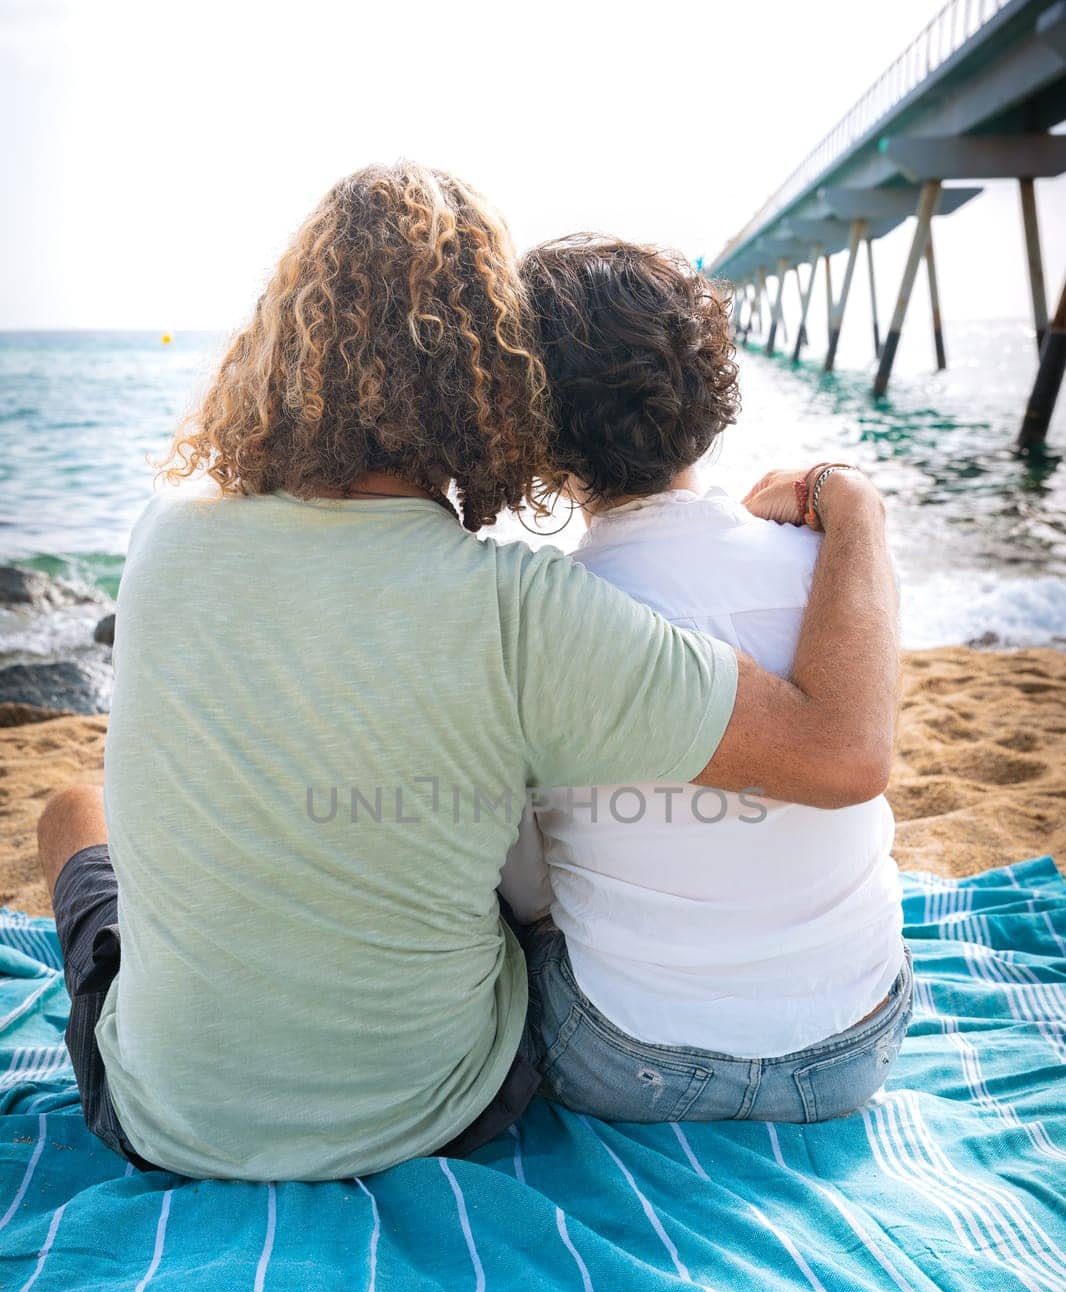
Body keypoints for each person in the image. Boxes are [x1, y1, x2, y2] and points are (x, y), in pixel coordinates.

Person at [37, 167, 899, 1181]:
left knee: (72, 809)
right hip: (432, 1110)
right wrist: (855, 501)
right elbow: (837, 752)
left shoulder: (164, 539)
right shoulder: (522, 607)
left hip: (166, 1115)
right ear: (495, 379)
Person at [502, 235, 910, 1125]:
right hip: (855, 1045)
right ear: (710, 392)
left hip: (628, 1060)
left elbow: (532, 894)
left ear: (532, 430)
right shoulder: (834, 570)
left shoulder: (547, 616)